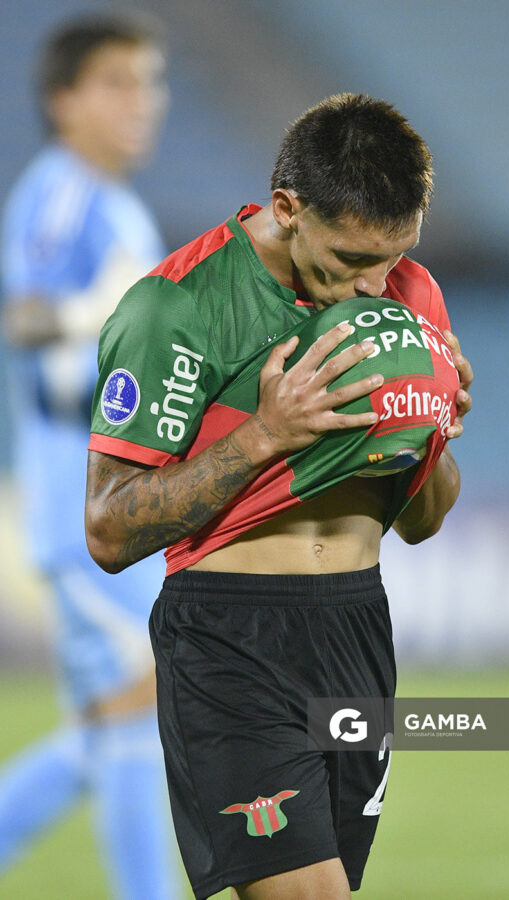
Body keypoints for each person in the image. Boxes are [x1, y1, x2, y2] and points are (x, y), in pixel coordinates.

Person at [85, 93, 473, 900]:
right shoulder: (177, 306)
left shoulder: (412, 292)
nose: (373, 291)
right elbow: (109, 531)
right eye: (347, 260)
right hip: (231, 640)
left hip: (357, 629)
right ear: (288, 208)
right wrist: (263, 434)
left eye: (390, 259)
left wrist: (430, 427)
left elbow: (425, 522)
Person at [0, 14, 184, 899]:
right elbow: (26, 322)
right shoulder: (63, 193)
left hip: (118, 504)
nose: (141, 103)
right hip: (83, 509)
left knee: (121, 712)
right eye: (118, 83)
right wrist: (99, 314)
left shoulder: (117, 204)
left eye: (150, 83)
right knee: (136, 711)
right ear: (62, 100)